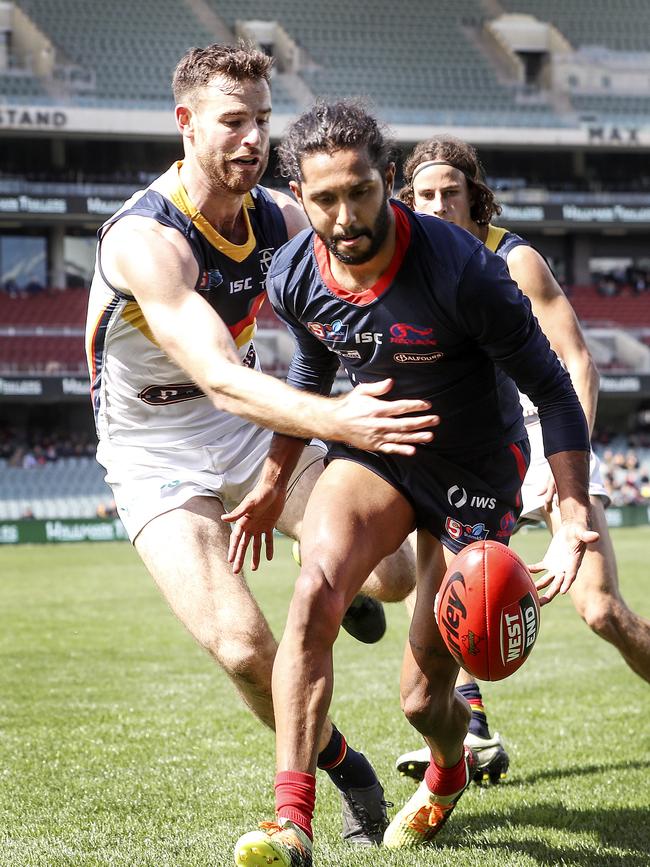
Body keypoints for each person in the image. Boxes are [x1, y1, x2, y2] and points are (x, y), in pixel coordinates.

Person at [84, 44, 437, 846]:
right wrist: (339, 417)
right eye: (233, 121)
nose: (253, 139)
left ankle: (340, 592)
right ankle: (341, 760)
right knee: (245, 646)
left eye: (263, 121)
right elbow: (217, 375)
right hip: (154, 445)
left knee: (393, 572)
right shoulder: (148, 239)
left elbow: (372, 237)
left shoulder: (276, 215)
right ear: (186, 124)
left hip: (243, 420)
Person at [230, 101, 597, 865]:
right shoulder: (296, 273)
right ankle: (289, 821)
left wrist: (571, 509)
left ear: (387, 181)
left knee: (424, 698)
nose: (344, 214)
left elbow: (555, 390)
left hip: (474, 467)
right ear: (298, 193)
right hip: (378, 449)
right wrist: (272, 481)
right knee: (314, 591)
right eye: (323, 198)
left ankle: (448, 768)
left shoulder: (465, 270)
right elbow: (311, 370)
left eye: (360, 191)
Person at [393, 135, 650, 788]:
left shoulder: (516, 259)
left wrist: (567, 478)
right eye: (425, 194)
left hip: (550, 444)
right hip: (480, 457)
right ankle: (472, 727)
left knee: (602, 612)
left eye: (451, 191)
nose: (439, 204)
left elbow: (579, 364)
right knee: (452, 578)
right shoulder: (410, 266)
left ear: (474, 196)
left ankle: (470, 726)